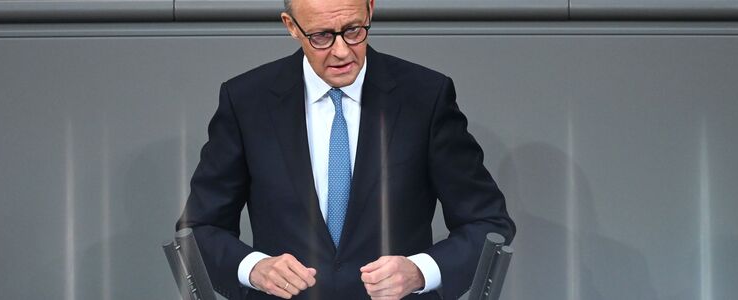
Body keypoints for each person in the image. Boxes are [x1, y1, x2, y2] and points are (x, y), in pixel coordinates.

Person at [176, 0, 515, 299]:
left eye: (353, 30)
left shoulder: (425, 97)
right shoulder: (247, 101)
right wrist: (253, 268)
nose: (341, 51)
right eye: (321, 36)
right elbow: (199, 229)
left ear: (370, 8)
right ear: (291, 26)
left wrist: (421, 272)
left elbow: (487, 222)